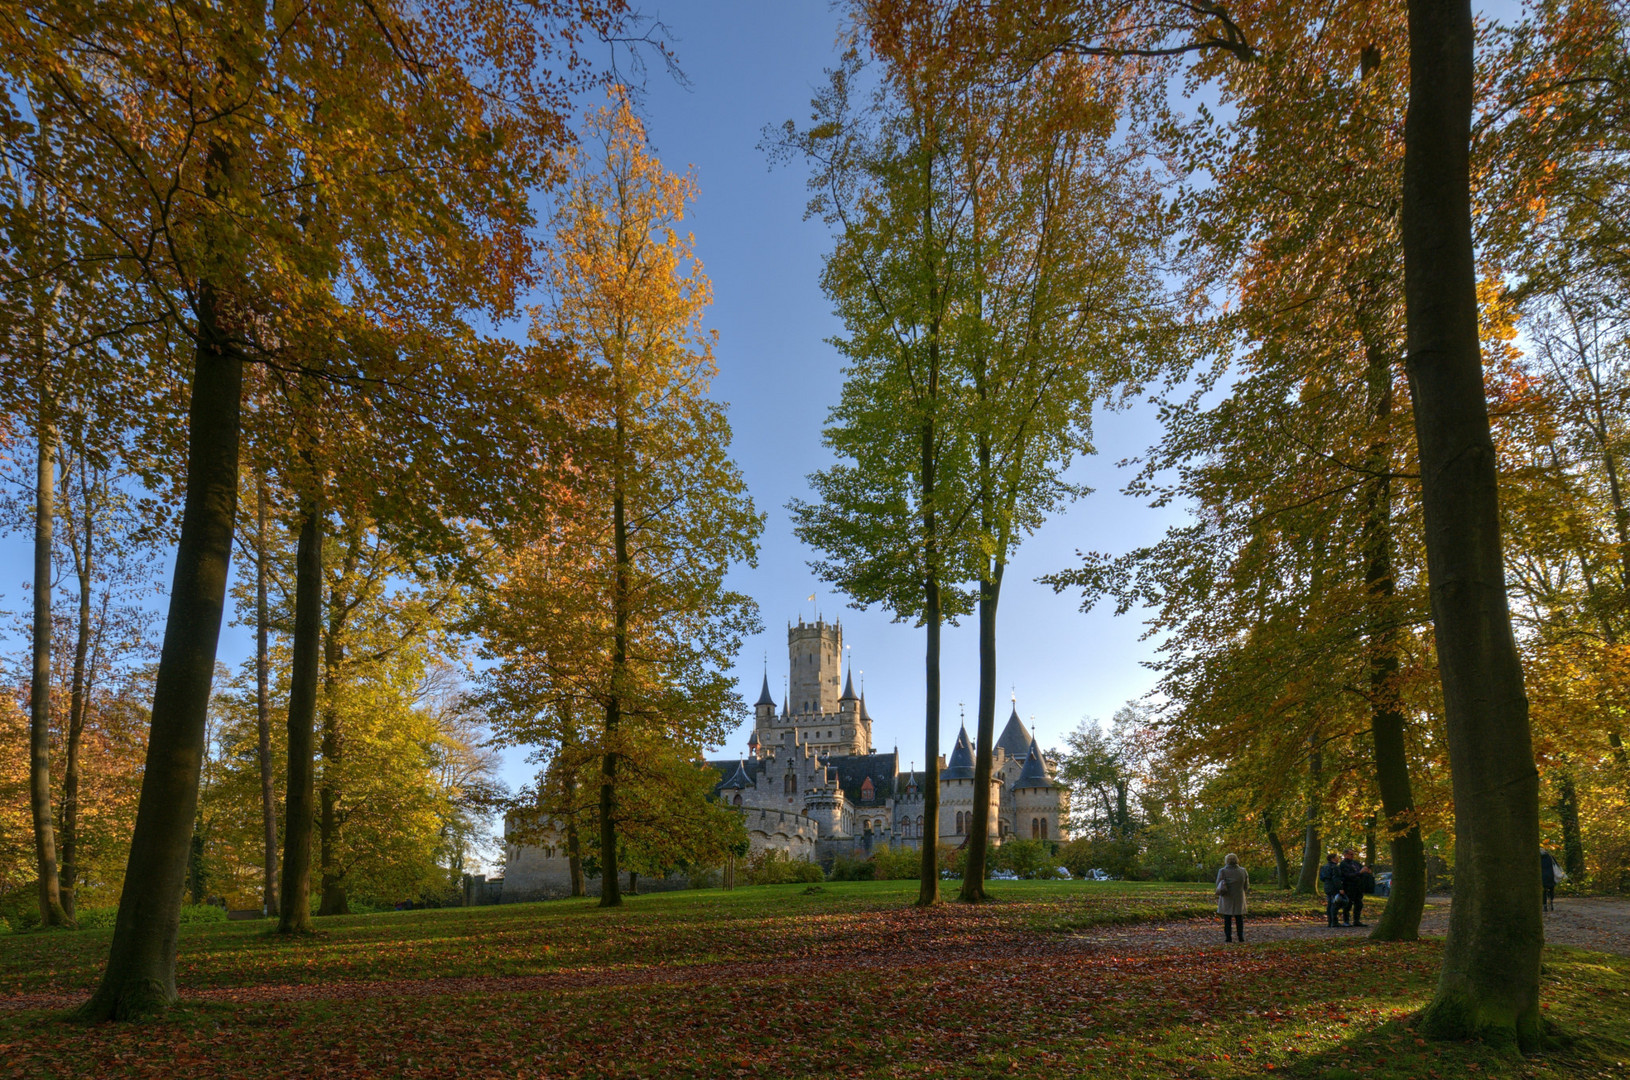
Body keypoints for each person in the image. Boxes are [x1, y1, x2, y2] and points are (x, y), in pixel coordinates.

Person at [1216, 853, 1250, 942]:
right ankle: (1240, 936)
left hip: (1227, 897)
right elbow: (1246, 886)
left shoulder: (1222, 871)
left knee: (1227, 919)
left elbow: (1218, 884)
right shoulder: (1243, 871)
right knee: (1239, 918)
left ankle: (1228, 937)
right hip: (1239, 897)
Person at [1338, 849, 1367, 928]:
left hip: (1358, 886)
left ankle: (1356, 920)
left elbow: (1362, 871)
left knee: (1359, 904)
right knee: (1348, 904)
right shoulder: (1343, 864)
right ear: (1345, 855)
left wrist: (1366, 871)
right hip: (1349, 886)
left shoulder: (1356, 863)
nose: (1352, 856)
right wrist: (1359, 873)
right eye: (1351, 854)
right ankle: (1346, 921)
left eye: (1353, 854)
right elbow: (1347, 875)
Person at [1318, 852, 1344, 927]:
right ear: (1333, 859)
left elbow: (1322, 878)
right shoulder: (1335, 867)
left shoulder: (1324, 867)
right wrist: (1340, 888)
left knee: (1329, 904)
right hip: (1334, 887)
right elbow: (1336, 879)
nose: (1338, 859)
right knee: (1335, 904)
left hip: (1327, 886)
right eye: (1337, 857)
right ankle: (1334, 922)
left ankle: (1330, 921)